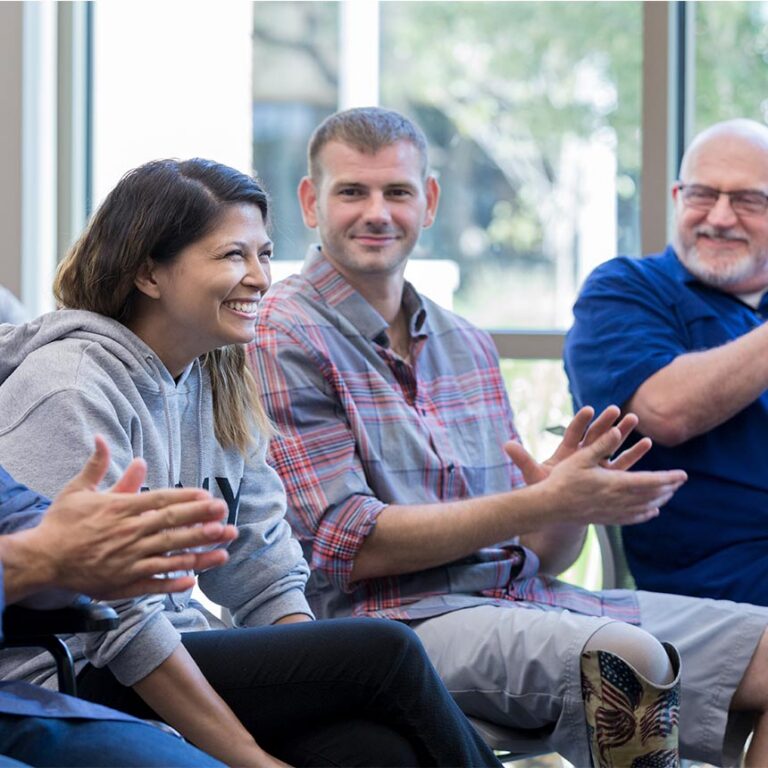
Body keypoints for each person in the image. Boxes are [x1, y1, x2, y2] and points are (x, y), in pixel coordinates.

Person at [248, 106, 768, 768]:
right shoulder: (280, 332)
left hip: (526, 600)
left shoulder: (466, 343)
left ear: (429, 201)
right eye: (352, 191)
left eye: (397, 192)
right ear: (310, 202)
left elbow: (539, 556)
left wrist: (565, 499)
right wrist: (539, 503)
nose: (376, 212)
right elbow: (345, 549)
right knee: (626, 661)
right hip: (388, 626)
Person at [0, 158, 501, 768]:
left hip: (176, 649)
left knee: (371, 749)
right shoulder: (71, 386)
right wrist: (250, 758)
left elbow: (262, 570)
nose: (261, 279)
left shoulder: (220, 377)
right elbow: (121, 626)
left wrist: (320, 686)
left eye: (265, 255)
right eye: (234, 256)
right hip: (70, 671)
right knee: (387, 652)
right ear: (149, 273)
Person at [564, 118, 768, 608]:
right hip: (714, 592)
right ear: (677, 197)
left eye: (748, 200)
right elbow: (666, 411)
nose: (719, 218)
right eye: (702, 194)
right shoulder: (625, 289)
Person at [0, 436, 236, 768]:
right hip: (62, 674)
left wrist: (72, 555)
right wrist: (34, 558)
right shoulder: (70, 394)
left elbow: (19, 519)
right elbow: (37, 552)